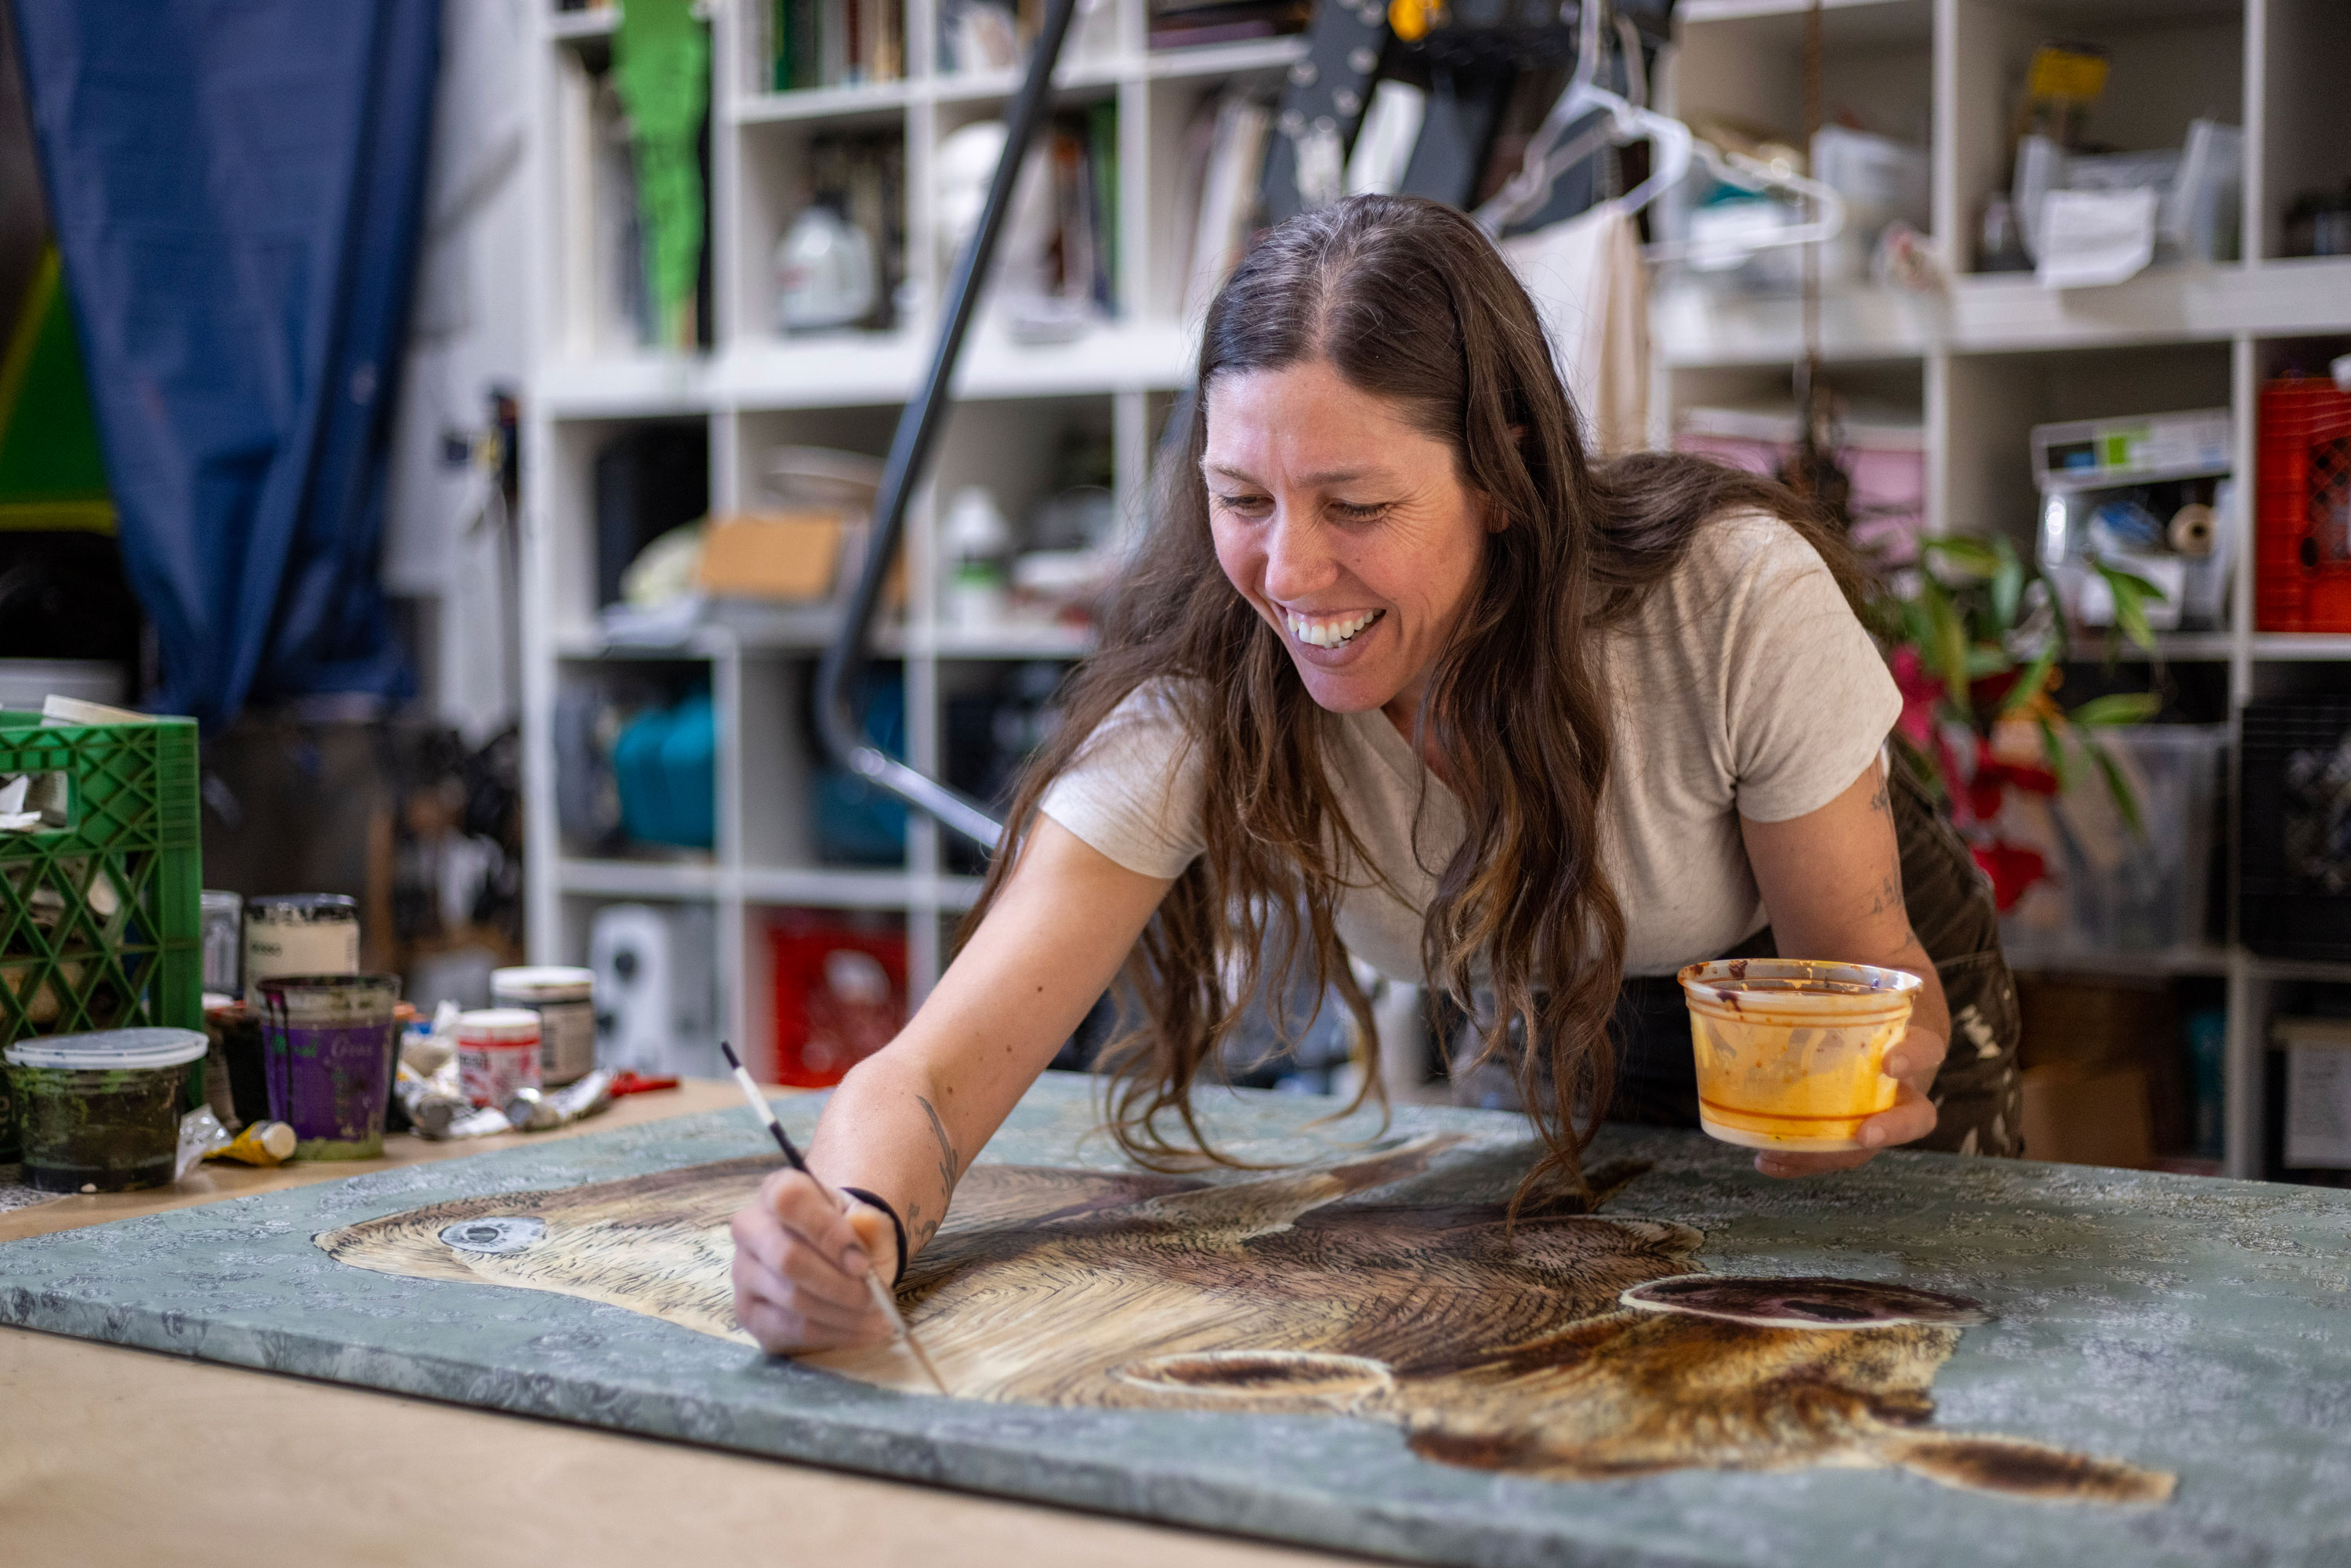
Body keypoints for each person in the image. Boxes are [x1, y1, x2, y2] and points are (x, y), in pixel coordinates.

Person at [729, 194, 2020, 1356]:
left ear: (1503, 473)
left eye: (1355, 507)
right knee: (1559, 1381)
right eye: (1244, 498)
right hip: (1558, 1013)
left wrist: (1861, 1080)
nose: (1289, 574)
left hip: (1823, 1014)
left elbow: (1875, 986)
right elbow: (930, 1077)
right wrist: (846, 1235)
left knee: (1880, 1378)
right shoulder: (1215, 684)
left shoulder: (1726, 601)